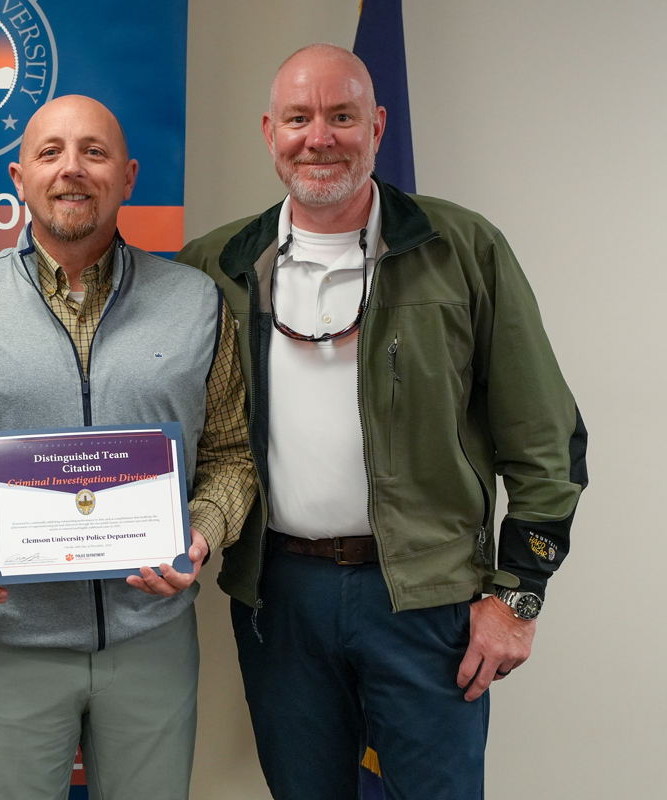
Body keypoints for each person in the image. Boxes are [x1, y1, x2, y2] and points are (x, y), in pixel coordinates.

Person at [174, 43, 588, 799]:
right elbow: (117, 348)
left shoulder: (462, 249)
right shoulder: (217, 264)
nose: (319, 138)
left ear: (378, 125)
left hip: (426, 600)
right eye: (299, 118)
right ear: (270, 131)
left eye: (342, 117)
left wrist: (518, 597)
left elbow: (545, 439)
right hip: (279, 598)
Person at [0, 94, 256, 800]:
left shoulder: (197, 304)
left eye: (94, 152)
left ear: (128, 176)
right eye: (50, 153)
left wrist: (202, 530)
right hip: (9, 642)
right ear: (18, 176)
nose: (73, 169)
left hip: (151, 640)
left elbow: (232, 455)